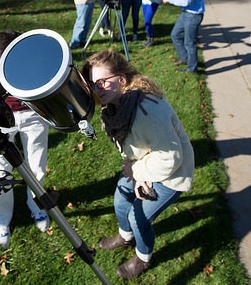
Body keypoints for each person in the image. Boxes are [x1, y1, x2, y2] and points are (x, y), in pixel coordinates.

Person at [81, 48, 195, 279]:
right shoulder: (115, 106)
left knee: (138, 217)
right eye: (93, 84)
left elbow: (171, 158)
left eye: (102, 82)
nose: (97, 89)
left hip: (172, 173)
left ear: (122, 79)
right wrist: (137, 173)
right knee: (120, 198)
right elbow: (131, 144)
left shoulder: (147, 110)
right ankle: (125, 236)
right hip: (143, 164)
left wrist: (136, 171)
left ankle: (143, 257)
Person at [0, 30, 51, 249]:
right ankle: (2, 218)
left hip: (33, 112)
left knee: (36, 163)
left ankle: (37, 205)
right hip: (1, 115)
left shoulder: (35, 53)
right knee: (0, 169)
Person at [148, 0, 205, 73]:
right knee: (175, 34)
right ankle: (184, 58)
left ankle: (192, 69)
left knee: (190, 43)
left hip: (193, 15)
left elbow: (186, 1)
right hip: (186, 13)